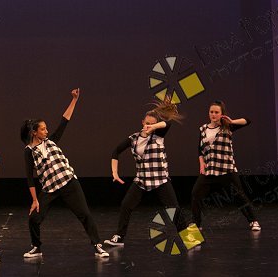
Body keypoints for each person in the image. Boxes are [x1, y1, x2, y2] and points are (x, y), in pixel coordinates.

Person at [20, 89, 110, 259]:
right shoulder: (29, 151)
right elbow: (30, 178)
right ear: (34, 132)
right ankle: (37, 247)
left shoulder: (51, 141)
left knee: (85, 214)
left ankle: (97, 245)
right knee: (34, 218)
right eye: (43, 129)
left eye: (46, 128)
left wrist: (74, 100)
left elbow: (64, 120)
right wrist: (35, 200)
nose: (46, 131)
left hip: (69, 183)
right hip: (49, 189)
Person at [107, 98, 187, 246]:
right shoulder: (133, 138)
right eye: (147, 123)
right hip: (142, 180)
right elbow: (116, 151)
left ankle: (191, 238)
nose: (148, 126)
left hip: (160, 179)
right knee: (126, 205)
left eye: (151, 124)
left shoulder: (158, 136)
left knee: (174, 209)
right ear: (142, 122)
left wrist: (153, 127)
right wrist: (114, 173)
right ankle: (119, 236)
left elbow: (167, 123)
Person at [191, 101, 260, 231]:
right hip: (210, 169)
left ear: (221, 114)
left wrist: (232, 121)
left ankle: (253, 221)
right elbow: (200, 149)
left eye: (216, 112)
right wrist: (201, 163)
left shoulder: (227, 126)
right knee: (196, 194)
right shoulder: (203, 128)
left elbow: (247, 120)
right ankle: (196, 224)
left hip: (227, 169)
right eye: (211, 112)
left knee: (239, 196)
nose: (213, 114)